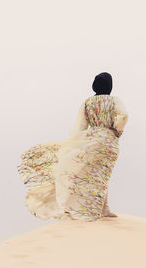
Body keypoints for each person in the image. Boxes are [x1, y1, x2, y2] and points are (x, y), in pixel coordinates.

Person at [17, 72, 129, 222]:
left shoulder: (87, 103)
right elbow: (124, 115)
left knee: (92, 175)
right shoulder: (115, 101)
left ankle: (101, 208)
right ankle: (103, 208)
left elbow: (80, 127)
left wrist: (74, 143)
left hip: (91, 140)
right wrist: (118, 129)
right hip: (109, 142)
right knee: (102, 175)